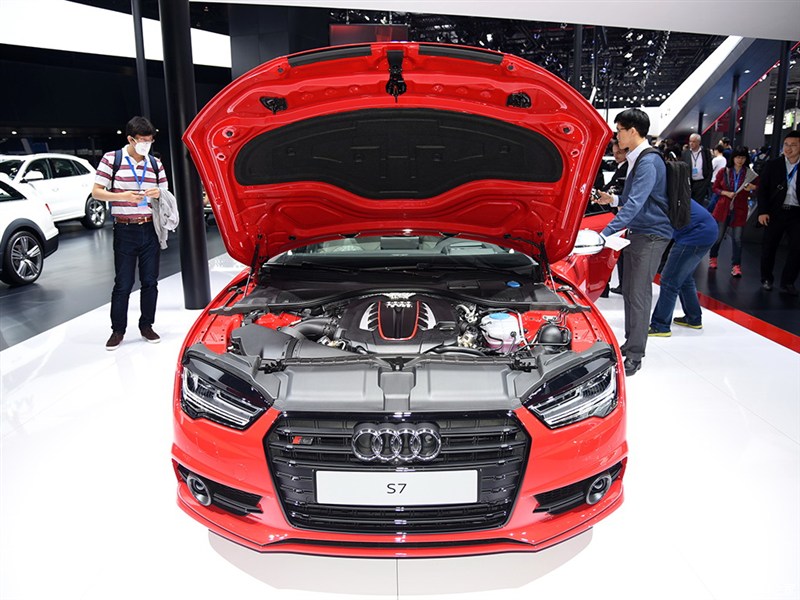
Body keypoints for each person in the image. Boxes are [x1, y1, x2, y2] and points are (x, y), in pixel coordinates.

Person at [594, 108, 673, 377]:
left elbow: (636, 205)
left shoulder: (648, 161)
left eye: (619, 130)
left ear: (632, 131)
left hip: (651, 234)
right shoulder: (638, 159)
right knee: (630, 291)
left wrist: (605, 233)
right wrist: (613, 200)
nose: (617, 136)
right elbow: (636, 199)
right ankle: (630, 344)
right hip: (640, 233)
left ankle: (636, 355)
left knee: (638, 295)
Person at [92, 116, 170, 350]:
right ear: (130, 139)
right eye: (142, 141)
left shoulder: (155, 163)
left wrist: (158, 193)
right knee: (123, 283)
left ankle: (147, 325)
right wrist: (122, 196)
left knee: (150, 281)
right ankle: (118, 330)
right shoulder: (112, 159)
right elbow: (96, 192)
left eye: (150, 140)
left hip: (150, 227)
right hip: (124, 228)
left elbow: (165, 192)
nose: (147, 145)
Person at [648, 199, 719, 336]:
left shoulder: (660, 198)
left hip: (694, 235)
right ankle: (693, 318)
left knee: (669, 280)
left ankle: (660, 325)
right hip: (706, 231)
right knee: (685, 278)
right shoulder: (671, 194)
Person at [757, 130, 800, 295]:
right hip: (775, 212)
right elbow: (762, 190)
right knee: (769, 247)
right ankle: (766, 278)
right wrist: (762, 211)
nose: (788, 148)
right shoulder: (773, 165)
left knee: (797, 249)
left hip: (796, 213)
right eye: (786, 145)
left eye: (793, 145)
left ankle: (788, 282)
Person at [708, 146, 758, 277]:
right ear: (733, 158)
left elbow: (759, 188)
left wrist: (752, 188)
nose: (740, 160)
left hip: (740, 209)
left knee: (737, 239)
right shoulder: (724, 171)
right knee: (718, 237)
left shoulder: (749, 174)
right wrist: (725, 193)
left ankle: (736, 265)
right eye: (738, 157)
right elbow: (715, 188)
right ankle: (713, 257)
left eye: (743, 158)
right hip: (723, 207)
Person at [604, 140, 628, 294]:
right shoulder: (621, 167)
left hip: (621, 214)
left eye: (619, 153)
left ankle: (620, 285)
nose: (616, 156)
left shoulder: (626, 169)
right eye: (614, 153)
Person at [681, 133, 713, 207]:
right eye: (690, 141)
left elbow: (709, 168)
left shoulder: (705, 152)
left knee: (698, 204)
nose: (691, 143)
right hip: (689, 183)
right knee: (688, 203)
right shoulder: (685, 153)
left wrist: (706, 182)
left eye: (694, 141)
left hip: (702, 183)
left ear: (699, 142)